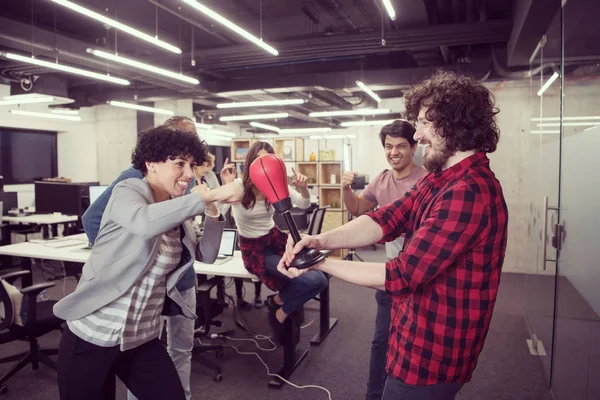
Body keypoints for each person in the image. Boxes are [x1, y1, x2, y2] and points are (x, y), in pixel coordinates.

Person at [279, 71, 508, 400]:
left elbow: (403, 274)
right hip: (411, 331)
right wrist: (321, 241)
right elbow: (386, 217)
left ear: (456, 124)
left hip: (433, 354)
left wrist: (319, 263)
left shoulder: (469, 191)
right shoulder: (440, 178)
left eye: (426, 123)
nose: (418, 134)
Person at [54, 125, 243, 400]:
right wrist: (210, 195)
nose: (189, 174)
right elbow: (143, 223)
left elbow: (207, 255)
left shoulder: (178, 210)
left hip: (139, 337)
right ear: (151, 164)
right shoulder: (127, 192)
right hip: (93, 334)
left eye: (191, 165)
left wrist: (214, 211)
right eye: (179, 164)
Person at [81, 116, 206, 400]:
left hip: (180, 280)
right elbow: (95, 219)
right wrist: (120, 255)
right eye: (179, 157)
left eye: (192, 158)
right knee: (137, 356)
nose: (188, 166)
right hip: (145, 291)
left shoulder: (181, 185)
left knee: (178, 350)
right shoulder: (133, 178)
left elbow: (192, 239)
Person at [342, 119, 428, 400]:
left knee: (416, 344)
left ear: (413, 147)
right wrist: (345, 188)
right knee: (381, 342)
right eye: (389, 146)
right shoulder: (381, 179)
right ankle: (374, 395)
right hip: (390, 275)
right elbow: (357, 209)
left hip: (420, 277)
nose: (394, 152)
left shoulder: (426, 180)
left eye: (401, 146)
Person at [221, 141, 328, 344]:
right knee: (312, 281)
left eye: (267, 159)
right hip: (255, 250)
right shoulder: (238, 187)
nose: (263, 165)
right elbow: (218, 212)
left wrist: (304, 189)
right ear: (250, 162)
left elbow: (304, 203)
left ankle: (278, 303)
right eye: (258, 159)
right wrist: (225, 188)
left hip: (276, 240)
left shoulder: (275, 182)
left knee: (319, 278)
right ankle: (281, 311)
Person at [195, 155, 263, 310]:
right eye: (203, 164)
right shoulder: (192, 180)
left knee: (232, 257)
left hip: (223, 220)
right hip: (205, 222)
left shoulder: (210, 177)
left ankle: (239, 296)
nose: (207, 168)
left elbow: (220, 199)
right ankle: (216, 299)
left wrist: (227, 188)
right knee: (208, 260)